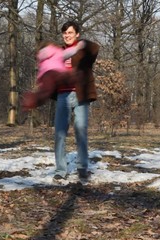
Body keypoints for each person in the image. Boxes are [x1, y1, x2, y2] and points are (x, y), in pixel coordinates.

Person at [53, 21, 100, 181]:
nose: (67, 36)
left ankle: (82, 168)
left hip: (80, 96)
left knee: (80, 130)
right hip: (62, 97)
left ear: (77, 34)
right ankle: (60, 170)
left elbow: (95, 48)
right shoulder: (58, 52)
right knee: (59, 133)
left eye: (70, 33)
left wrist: (80, 45)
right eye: (65, 33)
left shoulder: (83, 51)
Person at [21, 40, 85, 110]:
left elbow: (40, 56)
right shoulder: (55, 50)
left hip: (47, 75)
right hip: (55, 73)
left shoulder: (43, 54)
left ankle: (32, 101)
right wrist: (77, 47)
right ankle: (76, 75)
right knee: (67, 78)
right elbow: (68, 52)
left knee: (46, 92)